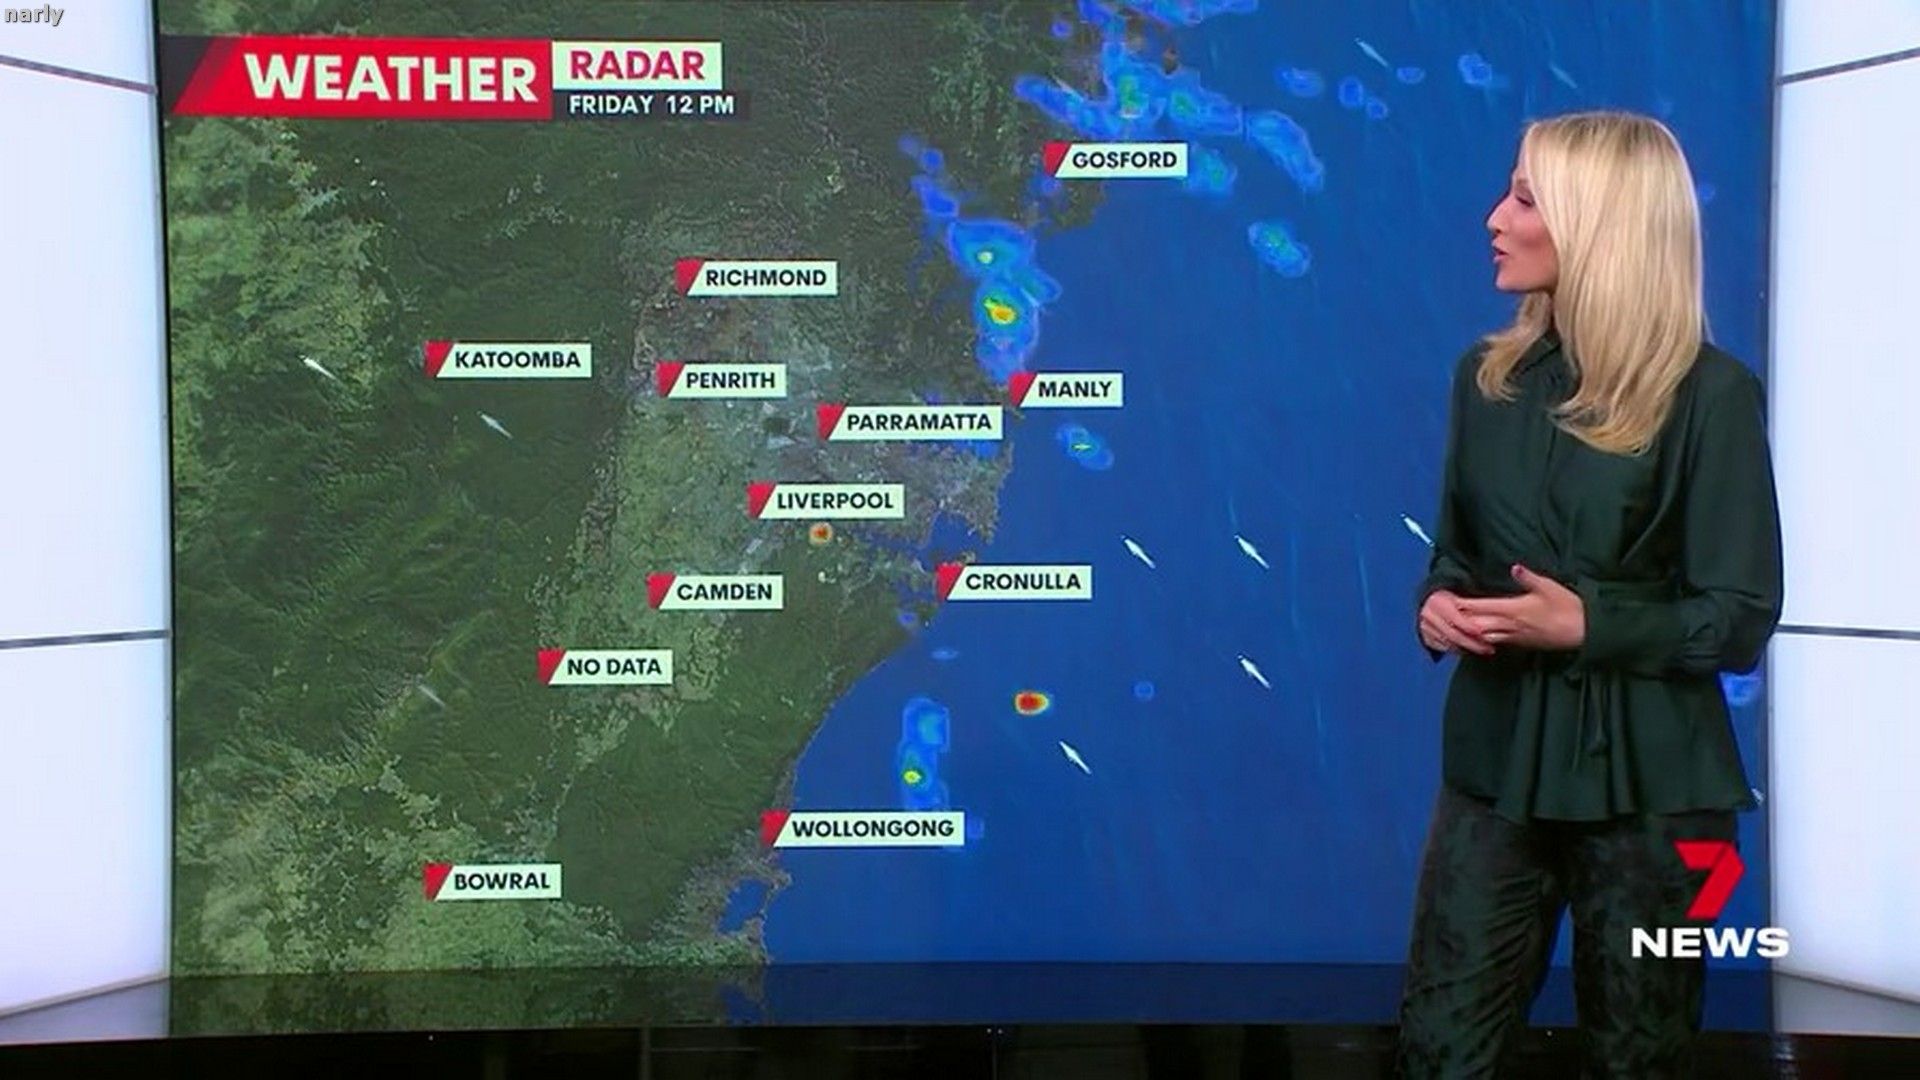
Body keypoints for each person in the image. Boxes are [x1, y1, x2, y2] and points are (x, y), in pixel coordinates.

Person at [1394, 111, 1784, 1079]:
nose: (1495, 218)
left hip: (1663, 794)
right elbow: (1455, 552)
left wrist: (1590, 625)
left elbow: (1740, 618)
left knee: (1644, 1054)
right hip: (1493, 769)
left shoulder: (1712, 395)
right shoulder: (1483, 380)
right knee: (1439, 1052)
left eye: (1525, 200)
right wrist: (1438, 604)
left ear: (1598, 222)